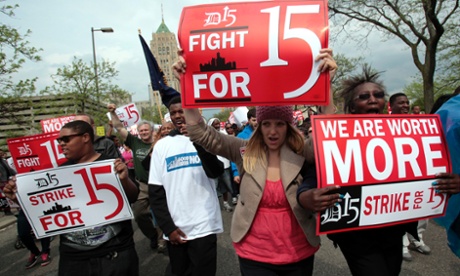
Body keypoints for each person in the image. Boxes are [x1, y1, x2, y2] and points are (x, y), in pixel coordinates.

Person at [174, 47, 338, 275]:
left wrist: (325, 81)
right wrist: (186, 86)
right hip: (254, 254)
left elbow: (329, 134)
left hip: (298, 251)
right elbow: (201, 134)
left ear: (288, 126)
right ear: (258, 125)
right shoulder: (243, 150)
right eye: (266, 124)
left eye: (279, 124)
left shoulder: (301, 150)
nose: (272, 131)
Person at [298, 66, 460, 276]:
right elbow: (312, 176)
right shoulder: (335, 138)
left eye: (378, 95)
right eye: (364, 96)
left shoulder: (409, 136)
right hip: (355, 234)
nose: (372, 99)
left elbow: (433, 172)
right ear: (352, 106)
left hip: (394, 229)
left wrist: (454, 182)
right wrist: (305, 197)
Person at [4, 120, 139, 275]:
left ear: (85, 137)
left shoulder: (110, 165)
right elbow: (43, 210)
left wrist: (124, 180)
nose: (61, 144)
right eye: (59, 141)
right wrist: (18, 198)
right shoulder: (58, 173)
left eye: (66, 139)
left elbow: (133, 196)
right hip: (74, 258)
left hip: (115, 252)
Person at [148, 96, 224, 276]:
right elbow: (156, 192)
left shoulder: (207, 138)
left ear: (192, 111)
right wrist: (168, 228)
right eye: (173, 112)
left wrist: (197, 142)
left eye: (181, 111)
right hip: (177, 229)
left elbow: (216, 172)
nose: (177, 116)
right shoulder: (161, 146)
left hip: (205, 225)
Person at [107, 105, 161, 251]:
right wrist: (113, 112)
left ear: (151, 131)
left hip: (160, 185)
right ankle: (153, 235)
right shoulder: (134, 142)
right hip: (142, 186)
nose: (143, 132)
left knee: (162, 213)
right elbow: (119, 127)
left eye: (146, 130)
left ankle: (163, 239)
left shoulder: (160, 143)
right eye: (141, 130)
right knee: (139, 215)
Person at [389, 92, 431, 261]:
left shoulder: (419, 124)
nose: (405, 105)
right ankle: (402, 243)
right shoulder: (383, 124)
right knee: (400, 211)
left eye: (407, 102)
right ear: (391, 106)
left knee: (422, 209)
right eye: (401, 103)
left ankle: (417, 238)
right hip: (396, 176)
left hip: (418, 173)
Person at [208, 118, 234, 212]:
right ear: (211, 125)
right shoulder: (207, 136)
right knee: (213, 188)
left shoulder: (224, 134)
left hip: (225, 165)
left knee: (226, 186)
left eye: (218, 124)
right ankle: (213, 207)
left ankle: (226, 203)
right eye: (215, 124)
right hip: (212, 166)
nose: (217, 125)